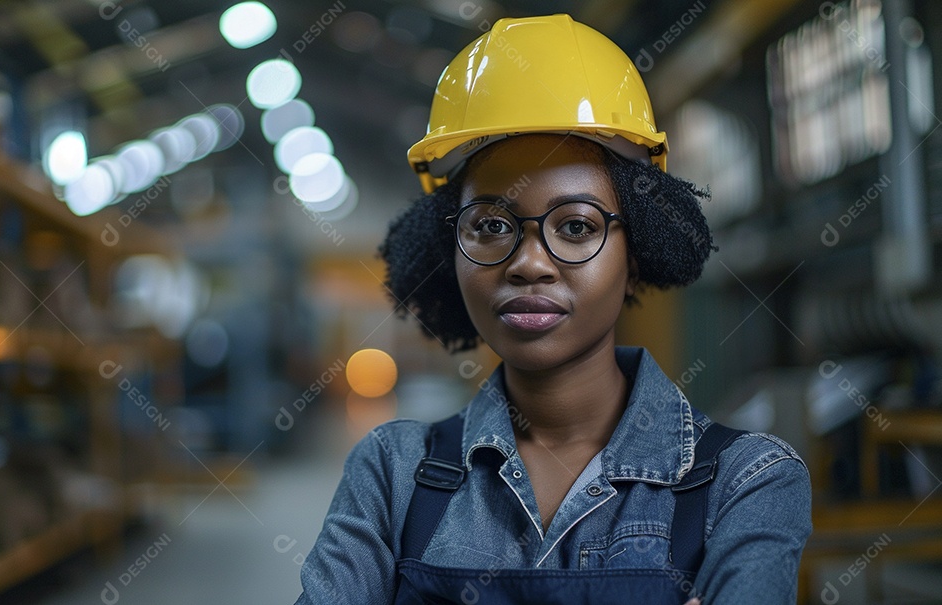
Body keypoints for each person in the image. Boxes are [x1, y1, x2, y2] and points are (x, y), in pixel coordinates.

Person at [295, 14, 811, 605]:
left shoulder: (746, 483)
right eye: (490, 225)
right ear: (449, 251)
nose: (529, 263)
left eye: (575, 226)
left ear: (636, 252)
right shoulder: (392, 473)